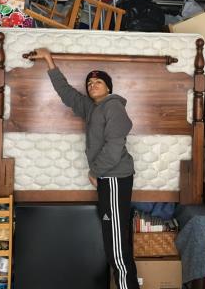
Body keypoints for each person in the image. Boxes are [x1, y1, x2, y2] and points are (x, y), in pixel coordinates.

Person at [29, 48, 139, 289]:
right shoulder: (92, 108)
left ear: (108, 88)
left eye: (98, 82)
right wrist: (48, 60)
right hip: (108, 179)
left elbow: (114, 147)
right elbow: (67, 93)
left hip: (114, 179)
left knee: (116, 244)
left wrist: (95, 171)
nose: (92, 85)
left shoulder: (113, 107)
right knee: (113, 240)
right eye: (89, 83)